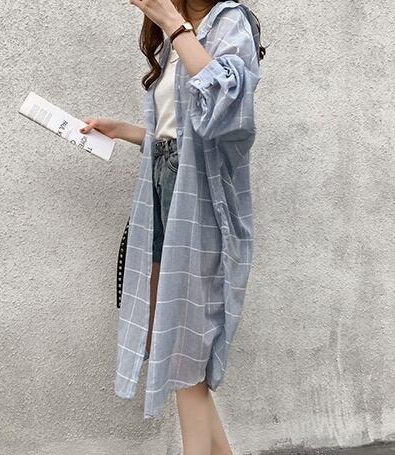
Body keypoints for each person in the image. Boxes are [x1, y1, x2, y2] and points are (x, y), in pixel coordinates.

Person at [80, 1, 265, 453]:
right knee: (178, 338)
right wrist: (124, 130)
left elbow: (229, 109)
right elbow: (177, 130)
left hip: (201, 194)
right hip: (165, 186)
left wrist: (174, 25)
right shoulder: (174, 38)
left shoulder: (229, 22)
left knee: (187, 348)